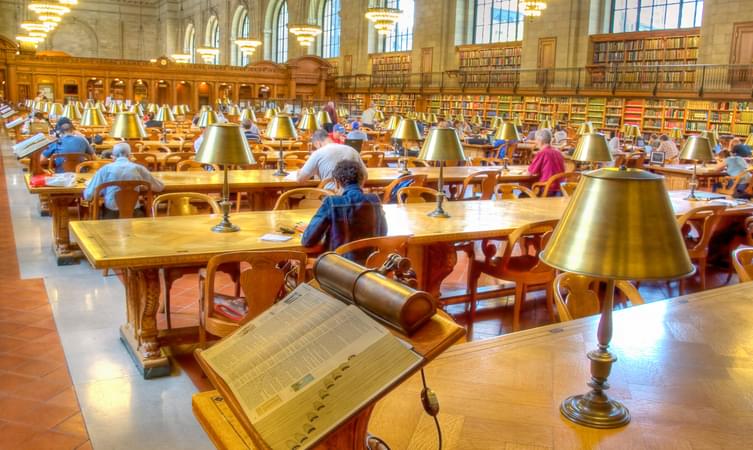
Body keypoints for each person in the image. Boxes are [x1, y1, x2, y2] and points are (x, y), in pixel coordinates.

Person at [301, 159, 387, 263]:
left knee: (297, 262)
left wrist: (314, 229)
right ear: (362, 181)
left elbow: (308, 241)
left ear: (336, 183)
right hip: (369, 268)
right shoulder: (374, 200)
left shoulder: (332, 202)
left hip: (339, 268)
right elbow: (383, 232)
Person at [83, 143, 165, 218]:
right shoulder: (139, 168)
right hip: (135, 214)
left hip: (110, 215)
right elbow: (159, 187)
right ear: (130, 156)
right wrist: (142, 186)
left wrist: (103, 190)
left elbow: (88, 195)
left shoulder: (105, 169)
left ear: (113, 156)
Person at [297, 129, 367, 189]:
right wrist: (359, 188)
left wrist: (299, 172)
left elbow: (300, 179)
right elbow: (365, 175)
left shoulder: (318, 153)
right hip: (351, 199)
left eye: (316, 147)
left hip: (329, 198)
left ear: (318, 143)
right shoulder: (352, 150)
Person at [527, 128, 565, 196]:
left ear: (540, 141)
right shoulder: (558, 152)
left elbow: (530, 172)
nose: (535, 142)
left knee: (524, 193)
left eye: (536, 140)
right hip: (561, 188)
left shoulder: (542, 153)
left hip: (548, 187)